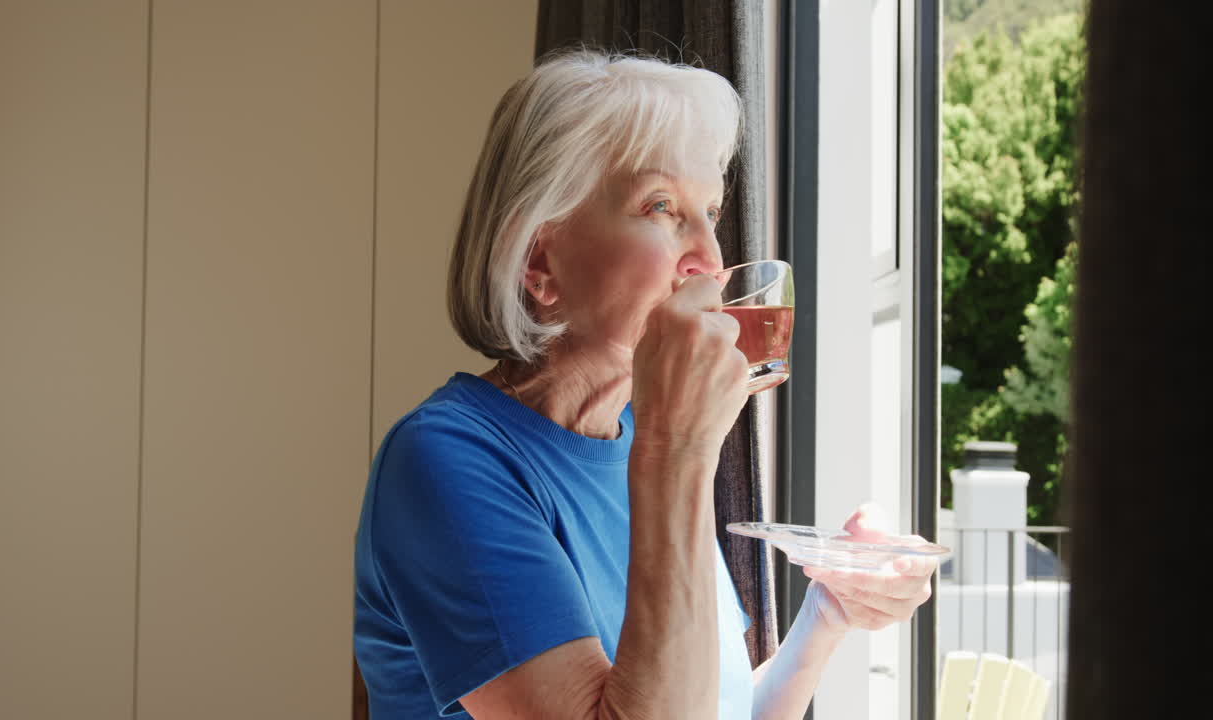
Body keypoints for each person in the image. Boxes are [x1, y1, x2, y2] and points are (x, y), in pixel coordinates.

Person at [353, 49, 934, 719]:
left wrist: (828, 613)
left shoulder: (643, 438)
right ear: (539, 262)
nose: (711, 259)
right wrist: (678, 449)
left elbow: (713, 707)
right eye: (661, 207)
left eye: (710, 212)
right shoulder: (446, 460)